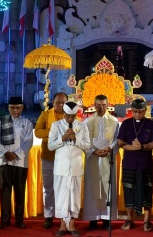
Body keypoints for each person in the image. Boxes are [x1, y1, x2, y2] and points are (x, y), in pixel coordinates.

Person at [48, 101, 90, 237]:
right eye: (67, 116)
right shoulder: (56, 126)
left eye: (72, 116)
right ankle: (62, 225)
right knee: (61, 196)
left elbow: (87, 146)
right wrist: (63, 138)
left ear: (76, 114)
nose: (70, 119)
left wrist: (76, 139)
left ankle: (72, 225)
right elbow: (50, 146)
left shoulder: (82, 126)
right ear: (64, 114)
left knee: (74, 196)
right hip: (61, 167)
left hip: (76, 167)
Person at [116, 98, 153, 231]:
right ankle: (129, 219)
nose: (137, 114)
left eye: (140, 111)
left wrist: (142, 146)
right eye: (134, 111)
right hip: (129, 163)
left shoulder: (152, 125)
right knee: (129, 190)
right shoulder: (126, 124)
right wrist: (132, 147)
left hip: (145, 164)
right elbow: (120, 142)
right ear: (131, 111)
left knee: (147, 190)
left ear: (145, 111)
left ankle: (146, 221)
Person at [0, 97, 34, 229]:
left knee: (20, 191)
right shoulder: (1, 122)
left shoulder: (27, 123)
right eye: (12, 107)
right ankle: (4, 220)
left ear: (22, 108)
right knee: (4, 191)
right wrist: (6, 153)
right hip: (3, 161)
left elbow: (29, 142)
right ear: (8, 108)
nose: (15, 110)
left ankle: (19, 220)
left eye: (18, 107)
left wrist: (15, 154)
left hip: (20, 163)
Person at [83, 94, 119, 230]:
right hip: (93, 157)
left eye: (104, 105)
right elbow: (84, 141)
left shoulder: (114, 121)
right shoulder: (87, 122)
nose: (101, 107)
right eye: (98, 105)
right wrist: (93, 151)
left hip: (107, 157)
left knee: (107, 186)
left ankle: (106, 218)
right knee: (92, 187)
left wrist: (110, 148)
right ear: (94, 105)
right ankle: (92, 218)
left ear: (108, 105)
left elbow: (117, 139)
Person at [34, 91, 69, 228]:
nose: (60, 105)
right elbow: (37, 132)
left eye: (63, 103)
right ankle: (48, 215)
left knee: (64, 188)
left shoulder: (71, 116)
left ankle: (62, 215)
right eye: (57, 102)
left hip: (65, 157)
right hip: (48, 156)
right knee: (48, 187)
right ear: (53, 103)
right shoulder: (46, 114)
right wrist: (54, 132)